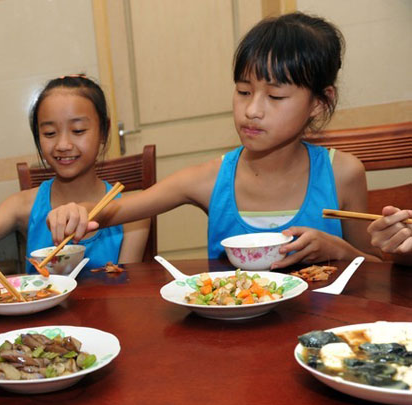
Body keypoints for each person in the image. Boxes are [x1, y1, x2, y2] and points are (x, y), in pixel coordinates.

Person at [47, 13, 381, 269]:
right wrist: (75, 213)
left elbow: (377, 274)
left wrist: (340, 250)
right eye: (243, 91)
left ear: (319, 103)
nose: (251, 111)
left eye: (275, 96)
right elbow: (115, 209)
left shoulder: (342, 174)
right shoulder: (211, 179)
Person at [0, 75, 150, 272]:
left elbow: (128, 289)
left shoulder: (133, 216)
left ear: (103, 131)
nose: (63, 145)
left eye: (78, 130)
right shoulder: (20, 206)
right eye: (49, 133)